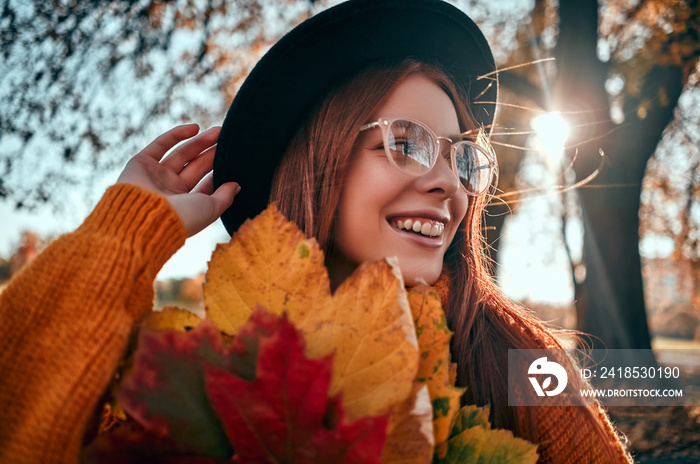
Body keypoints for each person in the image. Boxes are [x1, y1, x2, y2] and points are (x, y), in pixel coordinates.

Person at [0, 0, 632, 462]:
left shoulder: (516, 359)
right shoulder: (219, 372)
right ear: (320, 161)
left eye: (464, 156)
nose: (450, 183)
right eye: (405, 143)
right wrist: (124, 236)